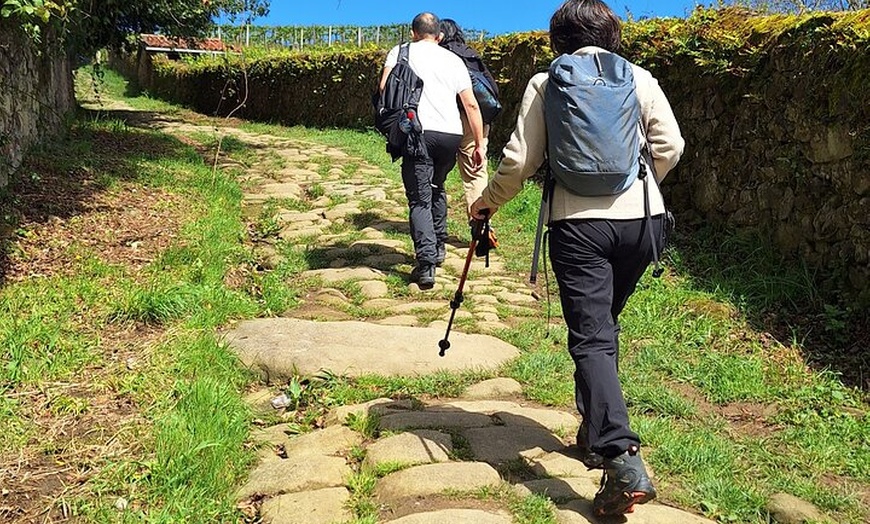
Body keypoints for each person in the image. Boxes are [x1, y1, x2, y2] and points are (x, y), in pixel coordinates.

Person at [469, 0, 684, 516]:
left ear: (557, 40)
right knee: (602, 327)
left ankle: (621, 458)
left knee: (591, 335)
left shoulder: (548, 83)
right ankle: (592, 428)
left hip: (578, 226)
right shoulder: (640, 77)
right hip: (642, 224)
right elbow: (671, 144)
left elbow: (521, 160)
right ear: (612, 37)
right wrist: (639, 186)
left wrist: (485, 201)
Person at [379, 12, 485, 289]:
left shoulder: (400, 51)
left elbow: (384, 89)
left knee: (419, 199)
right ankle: (438, 247)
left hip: (418, 132)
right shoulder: (454, 60)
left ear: (413, 32)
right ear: (438, 36)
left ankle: (426, 264)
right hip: (450, 135)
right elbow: (471, 105)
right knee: (437, 187)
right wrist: (480, 144)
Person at [438, 18, 498, 215]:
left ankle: (433, 222)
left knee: (435, 170)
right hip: (477, 120)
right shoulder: (472, 55)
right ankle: (481, 222)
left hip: (448, 117)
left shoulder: (440, 56)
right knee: (476, 171)